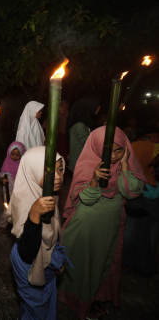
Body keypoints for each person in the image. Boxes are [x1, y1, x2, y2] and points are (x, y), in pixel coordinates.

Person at [58, 127, 147, 320]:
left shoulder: (124, 162)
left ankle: (96, 297)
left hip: (111, 223)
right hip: (86, 224)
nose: (114, 156)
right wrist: (95, 180)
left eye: (119, 150)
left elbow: (131, 191)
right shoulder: (89, 163)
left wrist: (125, 165)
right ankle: (80, 300)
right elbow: (86, 200)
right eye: (109, 151)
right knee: (83, 262)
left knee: (103, 262)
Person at [6, 146, 67, 320]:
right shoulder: (24, 200)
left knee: (42, 305)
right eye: (50, 171)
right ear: (32, 171)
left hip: (45, 258)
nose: (58, 176)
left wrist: (56, 257)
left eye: (60, 170)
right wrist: (34, 214)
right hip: (28, 262)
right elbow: (27, 252)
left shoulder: (49, 194)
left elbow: (53, 230)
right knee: (37, 311)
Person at [123, 141, 159, 276]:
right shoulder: (137, 174)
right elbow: (152, 192)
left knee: (146, 239)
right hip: (140, 206)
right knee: (134, 237)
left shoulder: (147, 169)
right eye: (155, 156)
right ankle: (130, 263)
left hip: (148, 209)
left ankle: (138, 264)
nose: (156, 159)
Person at [0, 141, 26, 236]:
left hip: (19, 190)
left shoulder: (22, 164)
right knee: (8, 207)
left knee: (18, 207)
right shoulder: (7, 163)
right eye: (12, 154)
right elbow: (2, 173)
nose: (14, 157)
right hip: (9, 189)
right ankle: (2, 225)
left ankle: (14, 224)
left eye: (17, 155)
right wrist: (4, 179)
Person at [65, 96, 101, 172]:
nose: (99, 107)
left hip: (82, 164)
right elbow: (89, 144)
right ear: (88, 106)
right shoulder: (80, 126)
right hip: (81, 165)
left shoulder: (85, 123)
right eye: (96, 105)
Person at [43, 100, 69, 164]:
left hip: (65, 139)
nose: (64, 108)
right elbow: (45, 126)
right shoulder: (54, 115)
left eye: (66, 106)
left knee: (63, 156)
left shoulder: (68, 115)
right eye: (62, 106)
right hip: (54, 138)